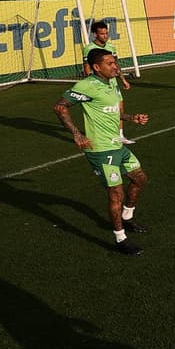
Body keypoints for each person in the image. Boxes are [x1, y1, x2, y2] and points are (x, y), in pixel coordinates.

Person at [53, 49, 149, 255]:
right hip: (101, 149)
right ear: (97, 67)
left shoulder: (111, 83)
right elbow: (60, 107)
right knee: (116, 193)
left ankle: (127, 217)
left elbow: (113, 112)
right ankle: (120, 239)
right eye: (110, 63)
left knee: (140, 179)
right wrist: (77, 134)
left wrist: (132, 118)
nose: (115, 66)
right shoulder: (87, 85)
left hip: (117, 145)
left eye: (115, 62)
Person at [83, 21, 133, 144]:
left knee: (119, 107)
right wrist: (92, 82)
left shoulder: (111, 47)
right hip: (99, 85)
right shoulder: (89, 49)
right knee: (103, 110)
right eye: (102, 34)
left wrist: (123, 80)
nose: (105, 36)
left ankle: (120, 135)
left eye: (106, 33)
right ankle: (101, 135)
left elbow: (116, 65)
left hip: (113, 83)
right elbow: (87, 67)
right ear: (95, 34)